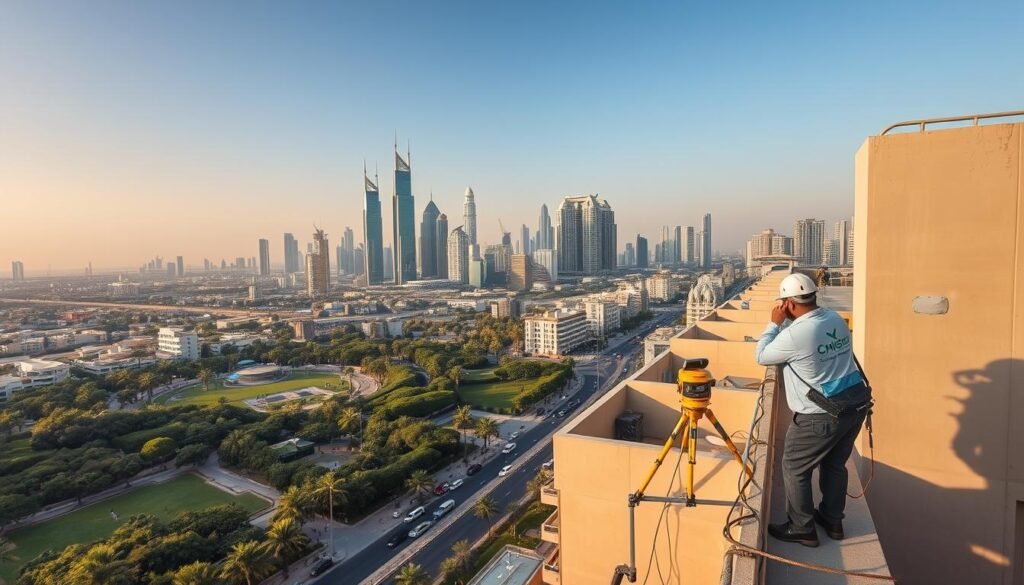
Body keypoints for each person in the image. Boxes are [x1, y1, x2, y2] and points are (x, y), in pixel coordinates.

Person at [754, 272, 866, 547]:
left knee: (794, 466)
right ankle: (832, 519)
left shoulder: (795, 334)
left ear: (789, 304)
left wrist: (773, 324)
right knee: (834, 464)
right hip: (854, 405)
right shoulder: (834, 319)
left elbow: (761, 356)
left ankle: (802, 527)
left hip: (820, 415)